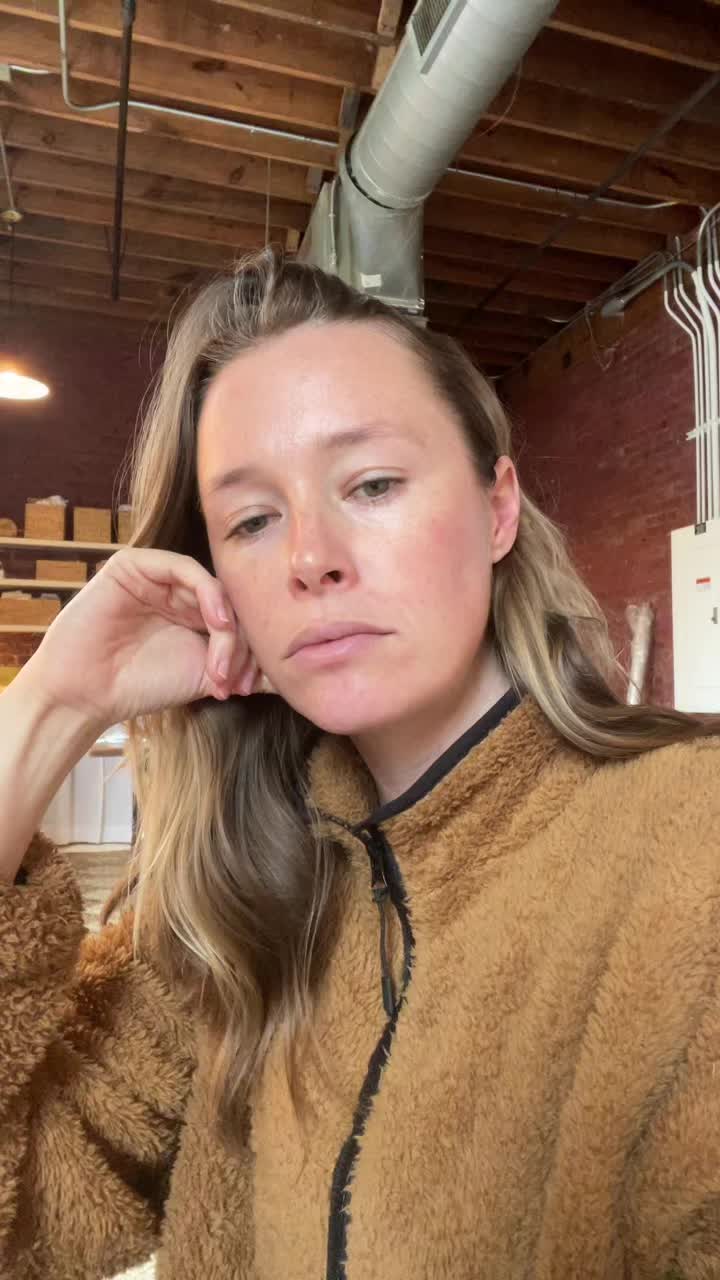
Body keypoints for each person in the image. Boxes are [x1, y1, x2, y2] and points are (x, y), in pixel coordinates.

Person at [0, 248, 718, 1280]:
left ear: (498, 508)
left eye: (372, 483)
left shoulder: (694, 849)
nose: (309, 558)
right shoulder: (224, 914)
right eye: (252, 519)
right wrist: (49, 708)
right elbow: (28, 1213)